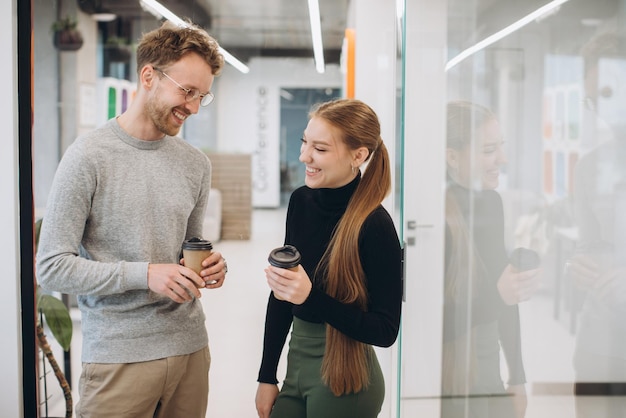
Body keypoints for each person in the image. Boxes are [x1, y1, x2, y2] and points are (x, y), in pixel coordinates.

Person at [36, 21, 227, 418]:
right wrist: (145, 274)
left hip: (190, 350)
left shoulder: (195, 165)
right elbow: (51, 267)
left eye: (202, 97)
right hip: (118, 360)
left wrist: (208, 265)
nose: (192, 106)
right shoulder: (88, 156)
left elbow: (187, 248)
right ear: (148, 76)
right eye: (187, 91)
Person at [254, 98, 403, 418]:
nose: (304, 156)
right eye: (304, 142)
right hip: (296, 370)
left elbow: (385, 330)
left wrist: (310, 296)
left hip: (346, 380)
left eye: (320, 149)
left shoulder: (375, 224)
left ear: (358, 155)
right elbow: (282, 295)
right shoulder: (300, 201)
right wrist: (267, 375)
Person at [441, 101, 541, 418]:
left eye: (501, 147)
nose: (503, 159)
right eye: (488, 150)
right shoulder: (435, 217)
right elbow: (437, 324)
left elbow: (504, 300)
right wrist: (500, 294)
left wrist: (518, 377)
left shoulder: (491, 203)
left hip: (489, 363)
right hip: (454, 377)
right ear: (452, 156)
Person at [566, 29, 626, 417]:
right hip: (598, 339)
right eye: (593, 99)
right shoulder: (590, 168)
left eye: (605, 94)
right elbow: (588, 243)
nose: (600, 108)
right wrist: (579, 266)